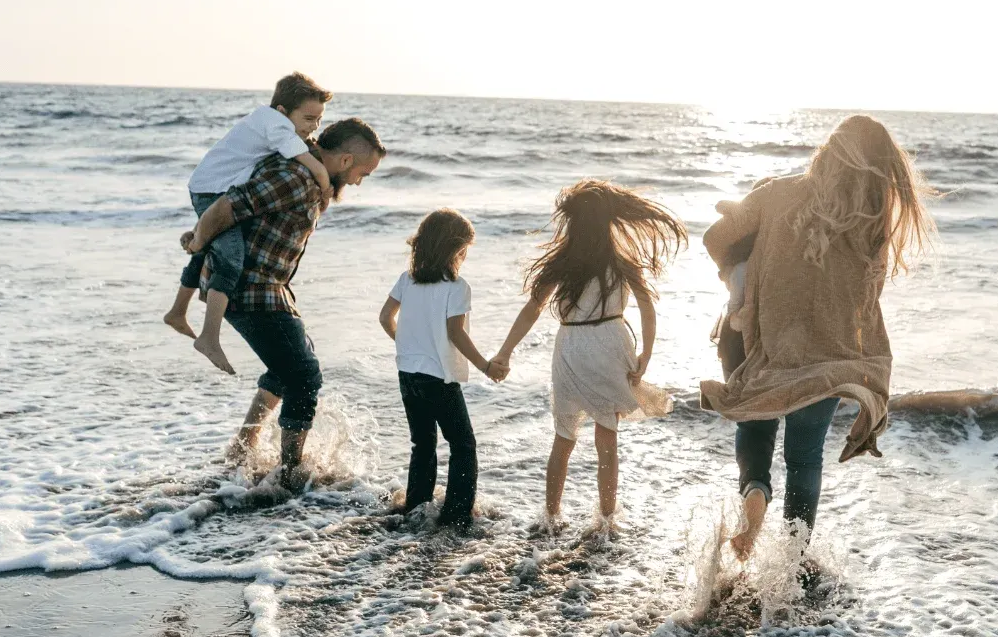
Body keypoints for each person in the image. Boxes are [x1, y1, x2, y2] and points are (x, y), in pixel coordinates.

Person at [699, 115, 934, 562]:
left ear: (827, 151)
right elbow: (867, 295)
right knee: (805, 459)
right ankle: (792, 563)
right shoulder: (870, 224)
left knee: (755, 427)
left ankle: (754, 497)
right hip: (827, 361)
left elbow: (716, 237)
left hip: (760, 345)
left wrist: (743, 268)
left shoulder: (775, 193)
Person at [180, 117, 386, 492]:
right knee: (304, 375)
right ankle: (290, 473)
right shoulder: (295, 178)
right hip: (249, 288)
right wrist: (197, 242)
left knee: (290, 363)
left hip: (270, 287)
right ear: (343, 161)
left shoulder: (309, 176)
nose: (359, 181)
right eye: (363, 173)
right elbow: (227, 208)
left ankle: (242, 448)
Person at [490, 181, 684, 530]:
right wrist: (646, 354)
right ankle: (607, 520)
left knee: (564, 438)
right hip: (611, 341)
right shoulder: (623, 261)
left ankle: (550, 517)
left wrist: (505, 352)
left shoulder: (562, 262)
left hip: (572, 347)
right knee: (606, 439)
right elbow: (646, 307)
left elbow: (532, 310)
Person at [165, 72, 336, 375]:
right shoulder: (275, 124)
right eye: (308, 119)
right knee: (231, 260)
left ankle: (178, 311)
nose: (313, 128)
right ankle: (209, 336)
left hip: (213, 186)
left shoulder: (271, 123)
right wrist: (324, 182)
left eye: (319, 121)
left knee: (207, 247)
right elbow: (306, 160)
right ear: (283, 110)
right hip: (212, 191)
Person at [378, 209, 503, 530]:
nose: (465, 256)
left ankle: (416, 506)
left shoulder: (407, 280)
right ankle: (457, 514)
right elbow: (455, 332)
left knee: (423, 443)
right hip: (438, 378)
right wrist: (486, 366)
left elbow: (385, 317)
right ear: (454, 249)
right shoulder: (456, 287)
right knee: (463, 445)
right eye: (464, 250)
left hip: (407, 372)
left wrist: (407, 345)